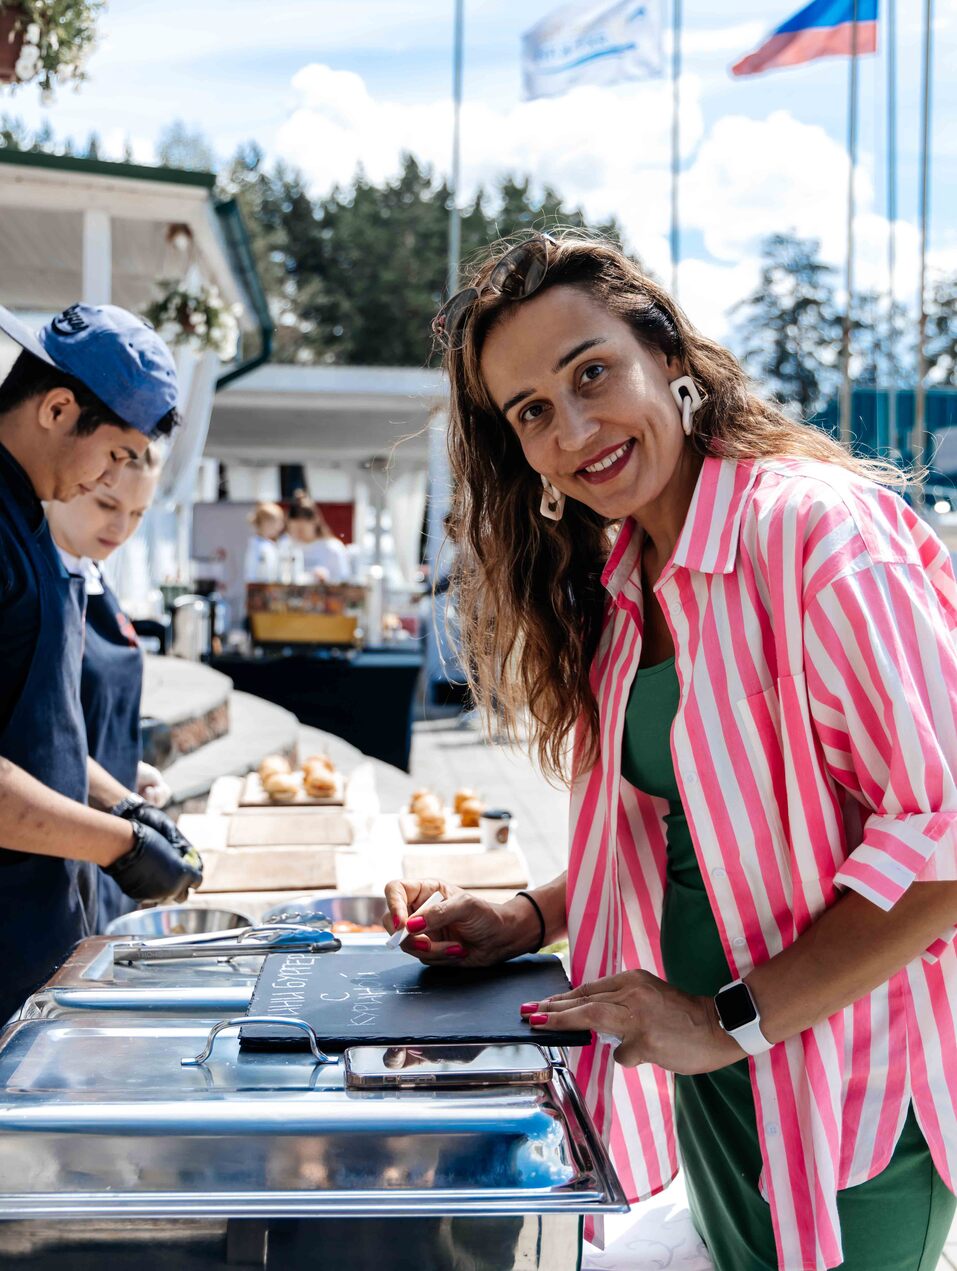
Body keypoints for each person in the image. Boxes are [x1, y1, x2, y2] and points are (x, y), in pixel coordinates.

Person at [384, 233, 957, 1271]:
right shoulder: (627, 582)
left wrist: (720, 1018)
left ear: (671, 360)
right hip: (722, 1078)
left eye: (591, 372)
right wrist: (531, 914)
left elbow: (947, 843)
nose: (576, 429)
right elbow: (699, 820)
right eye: (533, 413)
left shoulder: (815, 536)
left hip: (846, 1086)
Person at [0, 302, 203, 1024]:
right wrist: (121, 845)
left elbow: (38, 727)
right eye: (115, 455)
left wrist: (123, 804)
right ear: (58, 408)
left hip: (37, 941)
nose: (109, 478)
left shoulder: (24, 515)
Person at [46, 442, 169, 929]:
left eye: (139, 513)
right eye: (107, 505)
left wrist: (126, 767)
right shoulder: (40, 589)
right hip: (65, 853)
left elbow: (82, 713)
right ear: (69, 485)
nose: (122, 529)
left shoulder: (92, 574)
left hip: (112, 847)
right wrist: (121, 797)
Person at [286, 488, 350, 583]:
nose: (298, 533)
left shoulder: (332, 548)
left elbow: (343, 580)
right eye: (294, 529)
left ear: (314, 522)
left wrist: (325, 578)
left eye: (302, 528)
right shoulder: (286, 545)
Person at [243, 500, 287, 582]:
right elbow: (253, 574)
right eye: (278, 522)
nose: (281, 527)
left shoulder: (269, 545)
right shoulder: (258, 546)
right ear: (267, 523)